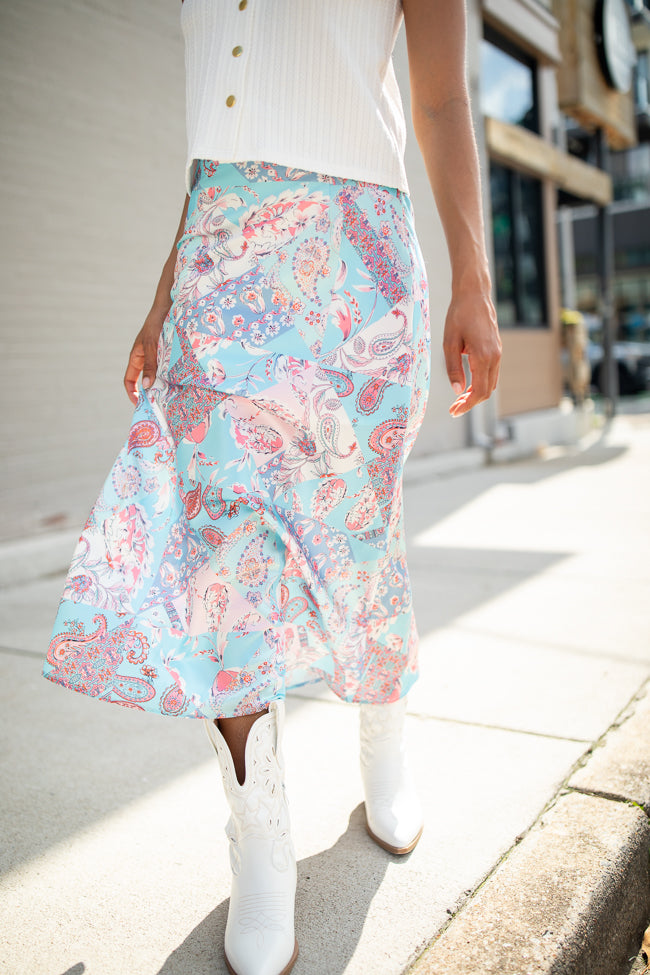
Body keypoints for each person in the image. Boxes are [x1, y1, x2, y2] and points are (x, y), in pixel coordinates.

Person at [44, 1, 501, 973]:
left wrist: (474, 277)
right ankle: (258, 837)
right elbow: (215, 134)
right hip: (217, 262)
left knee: (356, 536)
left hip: (355, 262)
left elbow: (440, 98)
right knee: (222, 567)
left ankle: (383, 739)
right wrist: (163, 295)